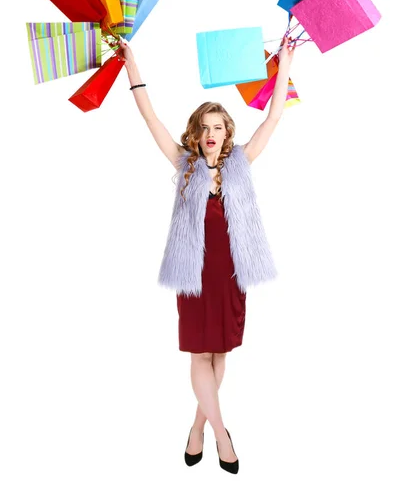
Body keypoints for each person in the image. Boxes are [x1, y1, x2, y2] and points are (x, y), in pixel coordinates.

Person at [117, 37, 295, 474]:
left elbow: (274, 116)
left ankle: (197, 427)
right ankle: (220, 434)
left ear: (227, 134)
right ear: (195, 134)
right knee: (200, 354)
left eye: (219, 127)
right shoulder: (184, 165)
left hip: (232, 275)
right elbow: (150, 117)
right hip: (193, 275)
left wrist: (285, 65)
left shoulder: (242, 162)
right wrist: (131, 65)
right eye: (205, 127)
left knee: (220, 355)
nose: (212, 135)